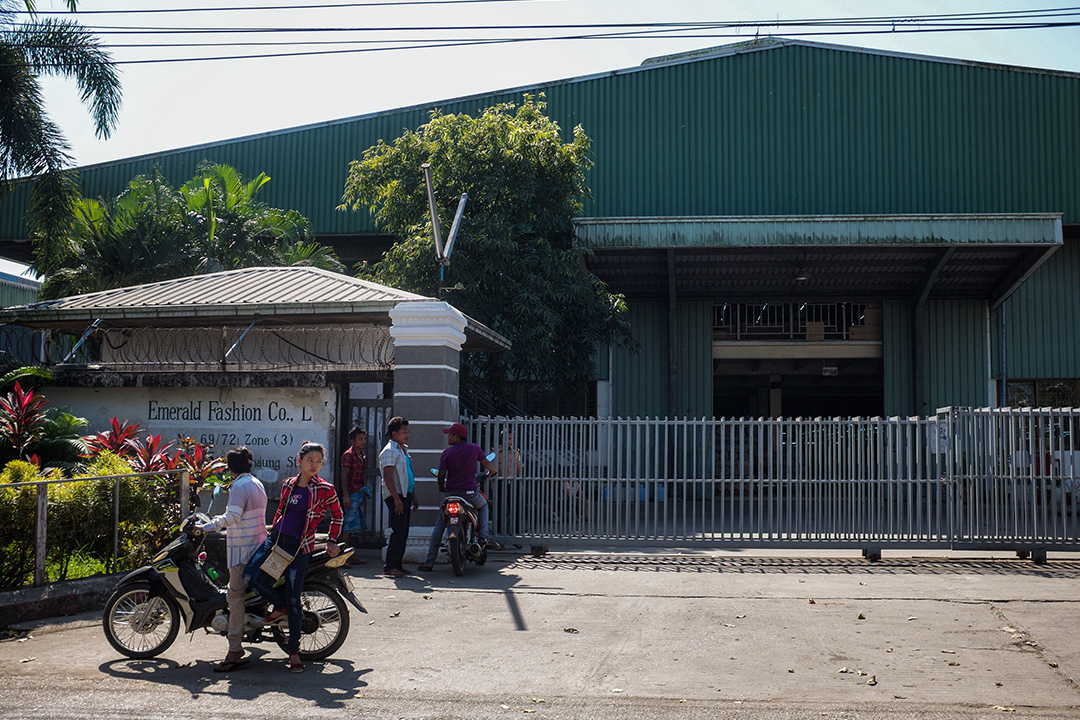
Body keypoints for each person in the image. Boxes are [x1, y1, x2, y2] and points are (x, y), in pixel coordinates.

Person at [244, 441, 342, 673]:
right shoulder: (288, 484)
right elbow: (281, 511)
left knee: (294, 599)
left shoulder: (325, 489)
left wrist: (331, 540)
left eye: (319, 461)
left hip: (300, 548)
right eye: (310, 460)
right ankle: (278, 606)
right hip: (276, 542)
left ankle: (294, 653)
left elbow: (338, 515)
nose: (315, 465)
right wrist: (272, 529)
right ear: (299, 461)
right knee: (251, 576)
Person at [198, 446, 267, 673]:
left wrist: (207, 526)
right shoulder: (257, 484)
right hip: (256, 546)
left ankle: (235, 647)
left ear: (229, 468)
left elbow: (233, 516)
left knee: (234, 598)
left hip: (242, 550)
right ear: (249, 464)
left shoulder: (239, 486)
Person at [417, 423, 498, 572]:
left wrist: (442, 488)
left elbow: (441, 475)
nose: (448, 437)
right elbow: (487, 464)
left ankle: (429, 561)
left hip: (451, 494)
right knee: (483, 505)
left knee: (440, 525)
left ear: (456, 437)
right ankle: (483, 538)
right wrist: (492, 472)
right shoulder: (474, 449)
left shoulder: (447, 453)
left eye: (450, 435)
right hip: (470, 494)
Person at [379, 416, 418, 578]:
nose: (406, 435)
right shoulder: (389, 451)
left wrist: (413, 495)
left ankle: (398, 565)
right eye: (404, 432)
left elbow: (408, 476)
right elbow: (387, 477)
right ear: (394, 433)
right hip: (396, 497)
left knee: (403, 532)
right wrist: (396, 498)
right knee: (398, 531)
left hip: (405, 496)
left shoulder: (402, 450)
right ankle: (390, 566)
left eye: (407, 432)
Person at [338, 425, 372, 562]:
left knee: (354, 528)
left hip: (358, 494)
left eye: (364, 438)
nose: (363, 441)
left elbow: (362, 475)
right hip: (351, 494)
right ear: (353, 441)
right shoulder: (348, 455)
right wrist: (346, 496)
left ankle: (350, 556)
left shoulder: (361, 456)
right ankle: (342, 558)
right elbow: (344, 476)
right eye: (360, 439)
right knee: (348, 526)